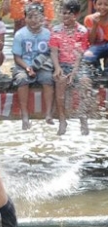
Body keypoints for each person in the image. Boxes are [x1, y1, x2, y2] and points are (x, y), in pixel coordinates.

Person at [50, 0, 91, 136]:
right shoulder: (56, 30)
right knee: (60, 80)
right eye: (64, 13)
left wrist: (74, 73)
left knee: (85, 82)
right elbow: (54, 52)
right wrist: (57, 68)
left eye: (69, 14)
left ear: (77, 15)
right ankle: (62, 119)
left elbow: (79, 55)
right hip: (62, 65)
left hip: (77, 66)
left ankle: (83, 118)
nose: (65, 16)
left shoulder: (82, 31)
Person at [12, 2, 54, 130]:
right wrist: (27, 68)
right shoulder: (20, 34)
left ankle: (48, 114)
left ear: (43, 18)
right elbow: (17, 57)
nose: (33, 20)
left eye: (37, 17)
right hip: (23, 66)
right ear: (25, 19)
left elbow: (52, 54)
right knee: (22, 79)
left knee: (48, 79)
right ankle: (25, 115)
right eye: (30, 17)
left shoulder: (48, 34)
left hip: (42, 67)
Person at [83, 0, 108, 76]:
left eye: (106, 4)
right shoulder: (89, 19)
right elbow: (91, 41)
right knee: (88, 56)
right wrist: (95, 25)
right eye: (99, 4)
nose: (102, 7)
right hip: (96, 45)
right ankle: (94, 74)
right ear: (94, 5)